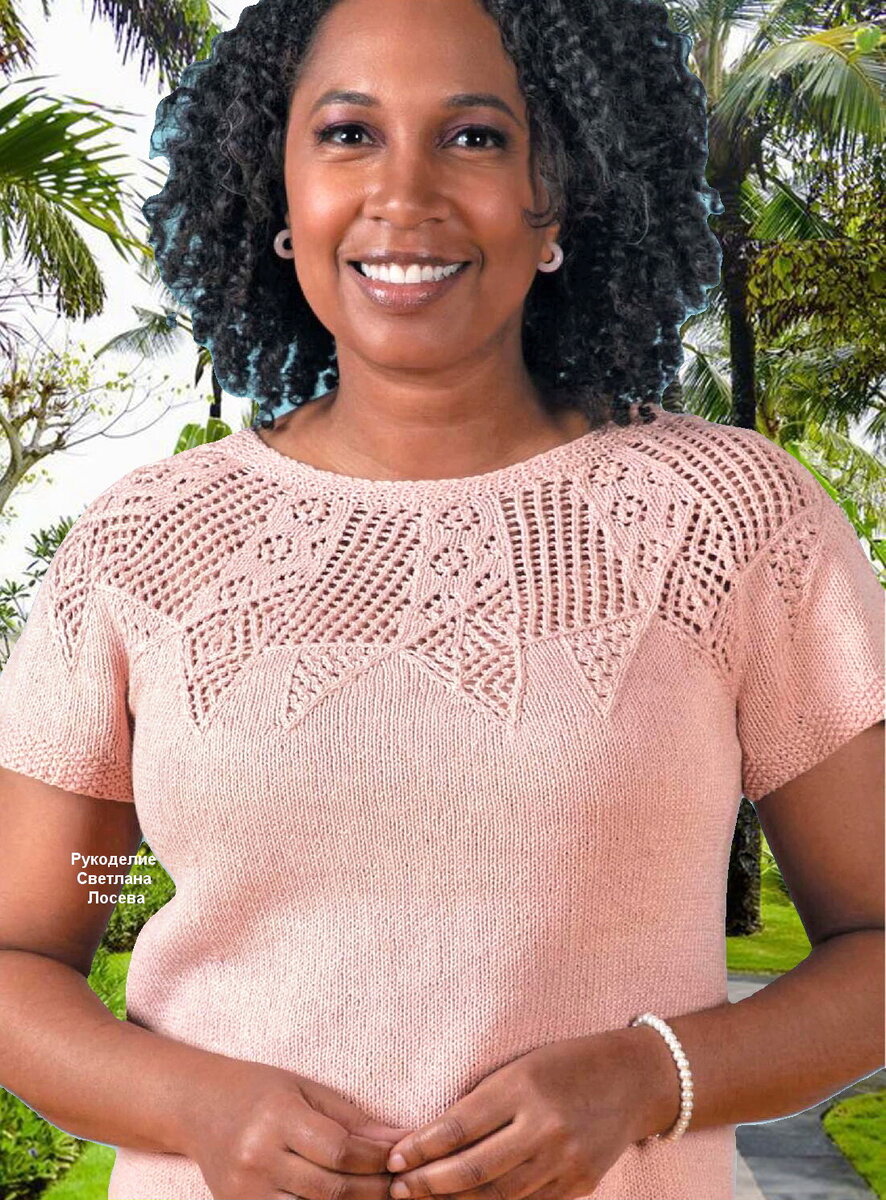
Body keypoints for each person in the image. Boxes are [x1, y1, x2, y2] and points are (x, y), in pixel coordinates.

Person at [0, 1, 882, 1199]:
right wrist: (190, 1106)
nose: (403, 194)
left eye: (474, 137)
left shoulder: (724, 520)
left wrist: (646, 1080)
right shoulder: (145, 544)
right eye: (347, 134)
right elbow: (23, 955)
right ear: (278, 191)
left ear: (559, 192)